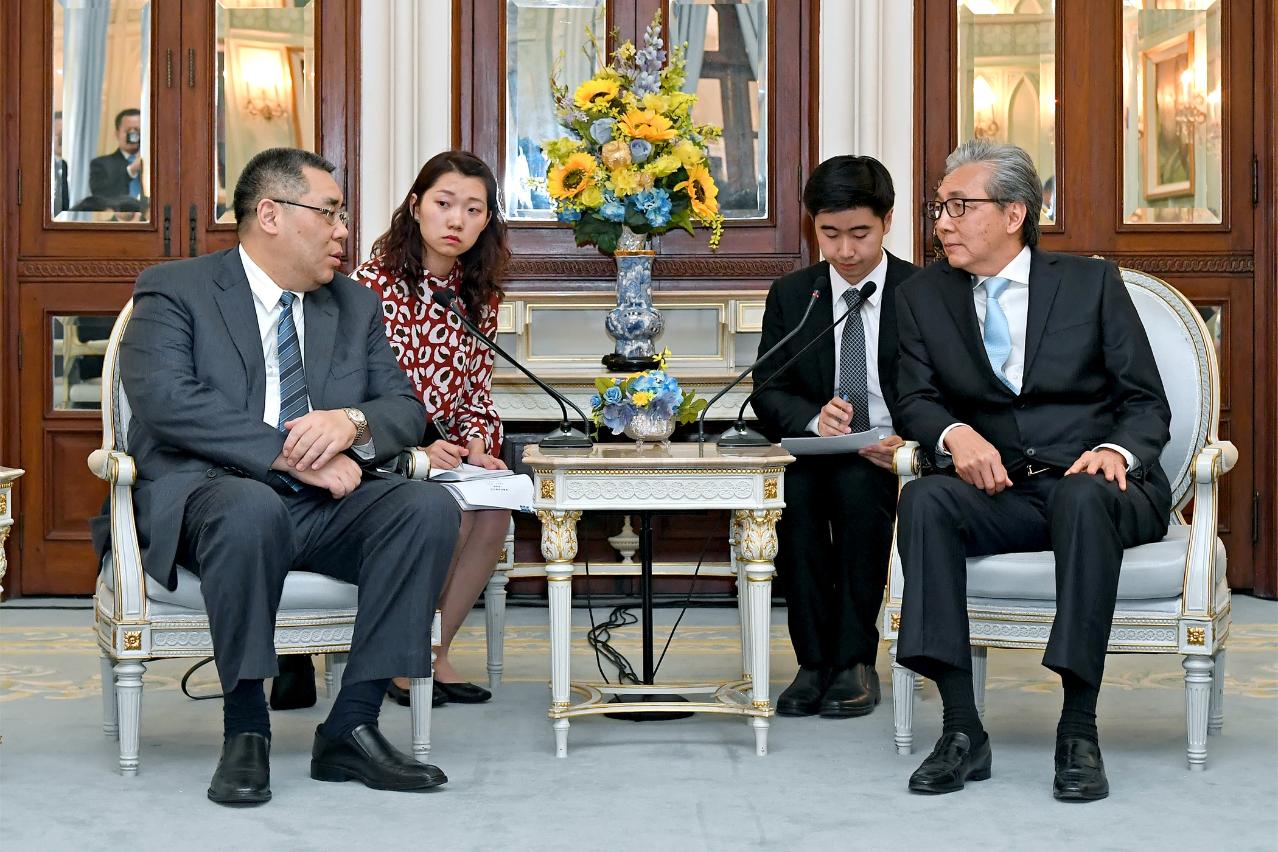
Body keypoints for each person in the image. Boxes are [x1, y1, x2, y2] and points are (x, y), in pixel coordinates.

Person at [95, 147, 462, 805]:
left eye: (342, 216)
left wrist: (349, 423)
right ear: (271, 214)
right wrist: (289, 453)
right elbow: (165, 399)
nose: (343, 230)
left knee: (426, 508)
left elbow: (406, 409)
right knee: (249, 508)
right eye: (330, 213)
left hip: (322, 509)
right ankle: (246, 728)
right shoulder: (175, 288)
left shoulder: (353, 305)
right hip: (211, 499)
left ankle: (352, 726)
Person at [893, 140, 1171, 801]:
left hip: (1101, 488)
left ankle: (1078, 729)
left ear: (1015, 213)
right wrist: (956, 435)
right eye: (939, 207)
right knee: (925, 501)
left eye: (960, 206)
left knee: (1083, 496)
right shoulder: (923, 296)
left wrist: (1117, 452)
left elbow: (1145, 402)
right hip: (1004, 493)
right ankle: (962, 729)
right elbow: (915, 398)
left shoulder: (1090, 284)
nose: (942, 223)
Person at [751, 155, 919, 719]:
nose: (845, 251)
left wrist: (906, 442)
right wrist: (812, 419)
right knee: (792, 502)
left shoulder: (924, 291)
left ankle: (853, 662)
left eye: (860, 233)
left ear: (887, 221)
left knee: (857, 494)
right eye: (830, 234)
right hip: (815, 453)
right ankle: (812, 663)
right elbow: (768, 389)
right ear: (813, 227)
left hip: (892, 454)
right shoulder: (794, 295)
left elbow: (951, 387)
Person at [355, 150, 512, 708]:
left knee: (493, 509)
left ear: (486, 221)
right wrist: (421, 446)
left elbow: (475, 391)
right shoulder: (372, 284)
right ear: (416, 205)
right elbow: (359, 392)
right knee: (450, 511)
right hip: (382, 453)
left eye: (473, 210)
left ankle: (434, 651)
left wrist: (478, 444)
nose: (456, 221)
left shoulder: (478, 292)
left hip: (448, 453)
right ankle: (403, 654)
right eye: (444, 204)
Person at [88, 108, 144, 201]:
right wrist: (131, 171)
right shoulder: (100, 164)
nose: (133, 135)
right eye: (128, 131)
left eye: (137, 130)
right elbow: (100, 194)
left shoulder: (152, 164)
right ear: (117, 133)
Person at [52, 111, 70, 216]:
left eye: (63, 135)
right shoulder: (42, 165)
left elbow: (65, 204)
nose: (61, 140)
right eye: (57, 135)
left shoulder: (63, 165)